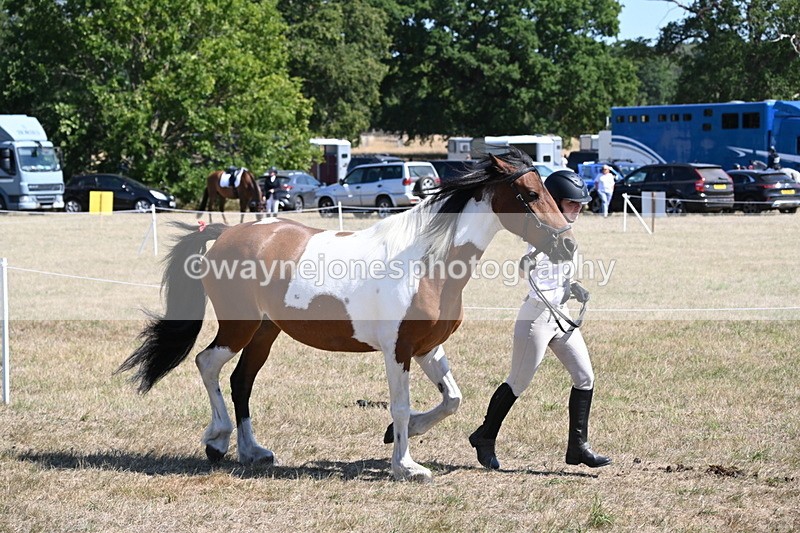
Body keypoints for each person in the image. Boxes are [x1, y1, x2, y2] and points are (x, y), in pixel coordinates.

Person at [469, 169, 612, 470]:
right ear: (556, 203)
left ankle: (578, 448)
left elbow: (558, 273)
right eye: (572, 203)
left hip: (561, 315)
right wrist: (529, 262)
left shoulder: (564, 231)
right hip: (536, 318)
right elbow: (529, 264)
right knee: (518, 383)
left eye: (580, 203)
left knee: (585, 378)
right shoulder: (543, 231)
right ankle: (485, 436)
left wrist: (572, 287)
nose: (579, 208)